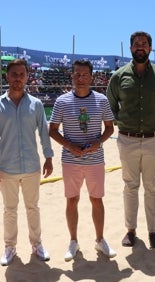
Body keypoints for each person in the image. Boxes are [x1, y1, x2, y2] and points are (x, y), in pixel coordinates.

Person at [106, 31, 155, 248]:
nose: (140, 47)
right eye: (136, 44)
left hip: (154, 139)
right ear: (131, 48)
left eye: (144, 44)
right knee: (130, 186)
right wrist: (123, 123)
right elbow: (111, 105)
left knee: (152, 187)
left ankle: (153, 231)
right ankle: (131, 230)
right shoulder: (118, 76)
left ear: (150, 48)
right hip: (127, 139)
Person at [49, 59, 116, 261]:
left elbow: (110, 128)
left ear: (92, 77)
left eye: (84, 74)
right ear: (72, 76)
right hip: (71, 160)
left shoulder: (101, 100)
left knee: (97, 199)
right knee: (72, 200)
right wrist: (69, 145)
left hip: (95, 159)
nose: (80, 78)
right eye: (76, 74)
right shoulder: (62, 101)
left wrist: (99, 142)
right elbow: (52, 130)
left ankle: (100, 239)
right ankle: (73, 241)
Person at [0, 59, 54, 266]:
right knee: (9, 210)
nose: (18, 78)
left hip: (32, 166)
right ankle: (9, 247)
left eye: (22, 74)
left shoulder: (36, 104)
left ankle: (37, 244)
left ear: (27, 76)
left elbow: (43, 133)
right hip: (7, 168)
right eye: (14, 74)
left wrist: (48, 158)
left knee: (33, 208)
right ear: (7, 76)